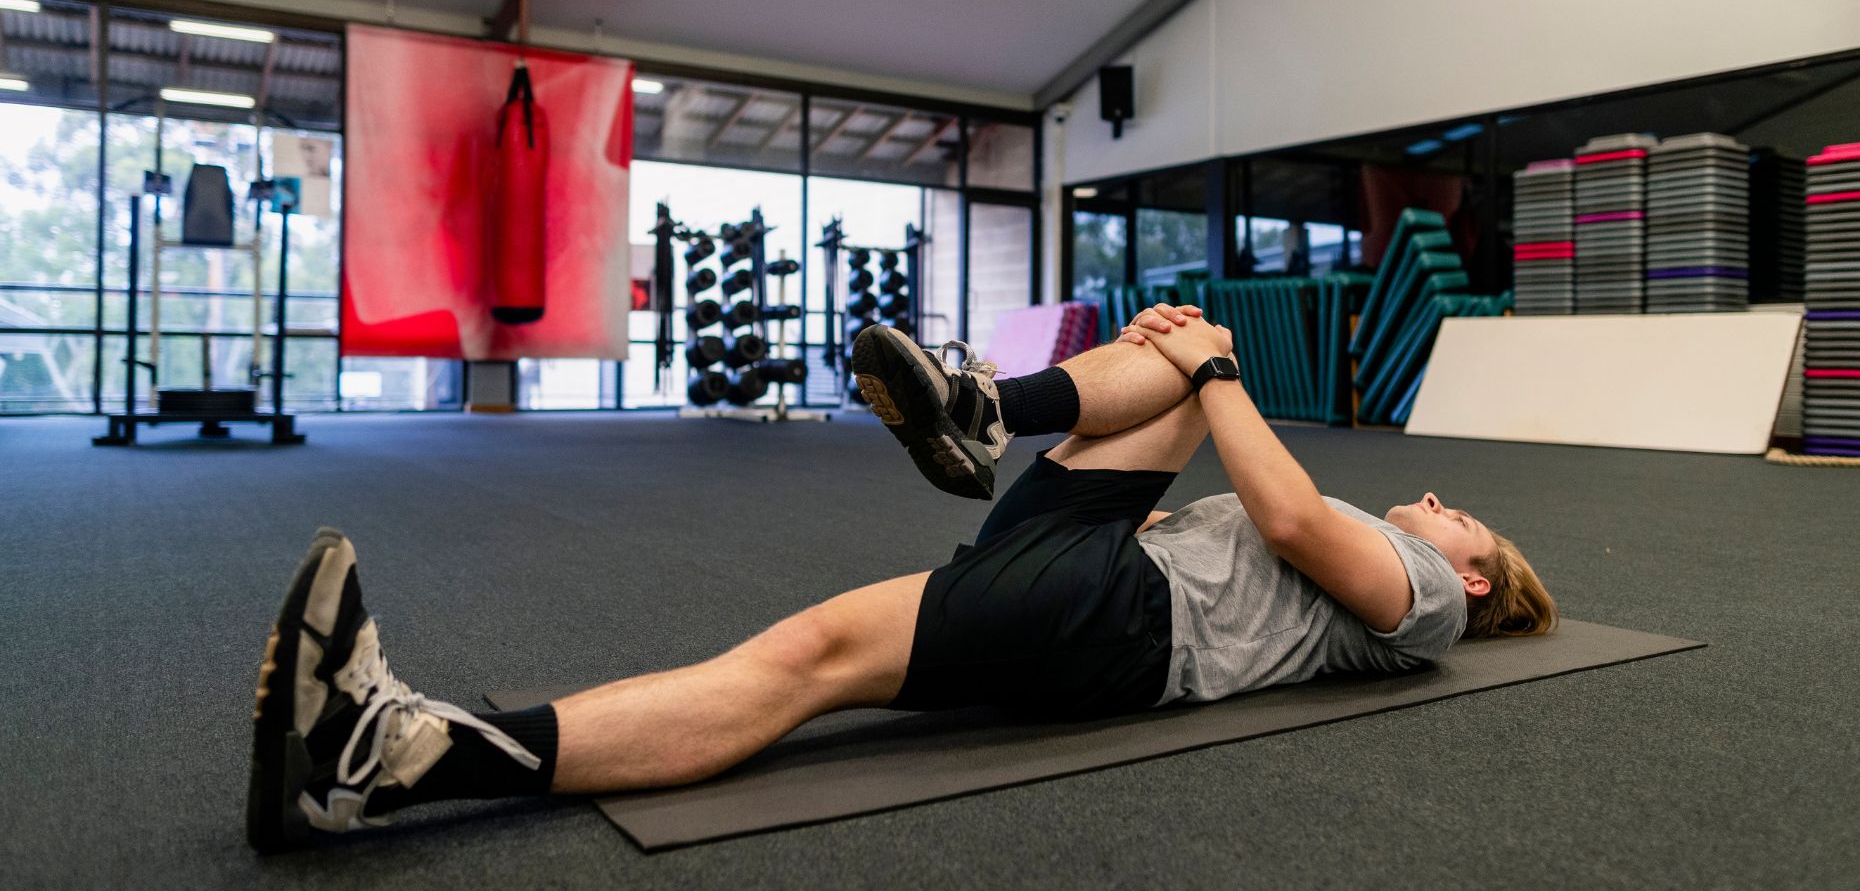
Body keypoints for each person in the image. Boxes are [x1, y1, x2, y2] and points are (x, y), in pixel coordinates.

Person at [247, 305, 1555, 852]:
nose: (1439, 504)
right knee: (1168, 354)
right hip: (1103, 566)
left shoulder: (1425, 605)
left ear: (1478, 588)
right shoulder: (1418, 563)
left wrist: (1217, 372)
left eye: (1465, 521)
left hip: (1124, 622)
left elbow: (1279, 514)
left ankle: (399, 750)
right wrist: (1184, 359)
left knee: (804, 661)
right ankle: (981, 406)